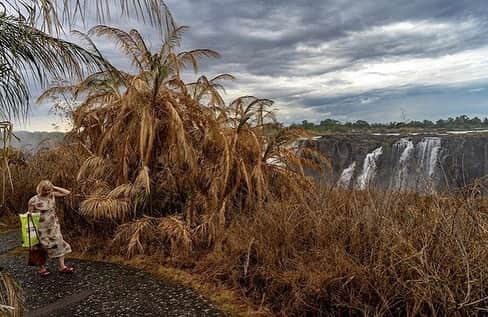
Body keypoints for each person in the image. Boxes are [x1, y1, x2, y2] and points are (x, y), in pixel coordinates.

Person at [27, 180, 74, 276]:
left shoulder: (51, 195)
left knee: (59, 243)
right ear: (40, 189)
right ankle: (42, 269)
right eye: (45, 190)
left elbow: (67, 192)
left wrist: (54, 187)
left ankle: (62, 267)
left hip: (53, 226)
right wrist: (31, 230)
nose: (47, 192)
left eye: (49, 190)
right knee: (39, 248)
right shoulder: (33, 200)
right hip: (40, 228)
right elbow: (29, 215)